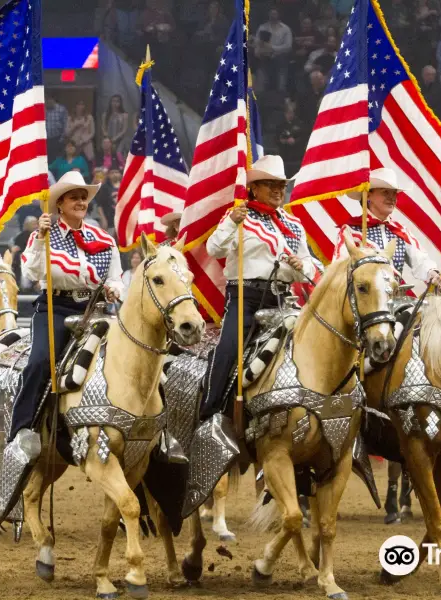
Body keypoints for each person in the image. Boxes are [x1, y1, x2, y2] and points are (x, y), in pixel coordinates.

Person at [187, 155, 318, 514]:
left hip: (283, 303)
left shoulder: (292, 224)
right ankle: (210, 420)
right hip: (245, 300)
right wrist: (232, 221)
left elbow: (310, 269)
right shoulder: (239, 218)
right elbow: (213, 250)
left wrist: (299, 266)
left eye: (282, 186)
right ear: (254, 187)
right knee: (226, 353)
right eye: (271, 185)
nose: (278, 191)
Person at [0, 171, 123, 518]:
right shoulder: (46, 235)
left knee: (129, 360)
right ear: (60, 204)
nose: (81, 202)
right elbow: (33, 272)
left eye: (84, 197)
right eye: (73, 198)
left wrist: (115, 289)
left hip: (95, 310)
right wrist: (40, 236)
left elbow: (116, 276)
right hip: (56, 308)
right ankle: (22, 431)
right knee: (39, 363)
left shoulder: (102, 237)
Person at [334, 168, 441, 287]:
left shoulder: (401, 231)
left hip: (395, 300)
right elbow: (339, 270)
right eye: (385, 192)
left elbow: (421, 261)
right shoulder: (350, 231)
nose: (392, 198)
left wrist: (431, 272)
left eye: (394, 193)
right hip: (364, 302)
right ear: (368, 195)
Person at [254, 8, 294, 93]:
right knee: (260, 70)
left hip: (280, 57)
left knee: (281, 63)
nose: (273, 16)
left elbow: (288, 46)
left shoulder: (285, 29)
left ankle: (280, 94)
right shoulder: (263, 27)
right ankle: (260, 97)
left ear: (278, 15)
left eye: (275, 14)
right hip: (265, 57)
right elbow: (257, 43)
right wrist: (258, 51)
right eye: (271, 14)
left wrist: (272, 48)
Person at [66, 100, 96, 164]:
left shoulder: (89, 117)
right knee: (75, 163)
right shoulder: (70, 118)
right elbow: (67, 133)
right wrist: (75, 127)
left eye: (82, 105)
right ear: (75, 107)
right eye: (78, 105)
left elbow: (92, 133)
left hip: (86, 144)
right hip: (74, 145)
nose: (80, 107)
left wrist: (83, 141)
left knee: (89, 163)